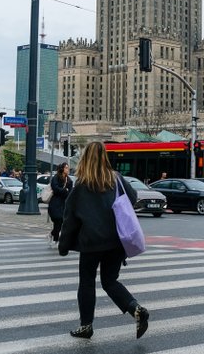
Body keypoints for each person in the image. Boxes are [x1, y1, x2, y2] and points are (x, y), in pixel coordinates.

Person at [58, 141, 149, 340]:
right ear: (104, 157)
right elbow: (132, 198)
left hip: (91, 243)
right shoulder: (115, 178)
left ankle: (86, 326)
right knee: (110, 281)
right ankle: (136, 308)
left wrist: (63, 245)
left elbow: (69, 219)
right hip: (116, 242)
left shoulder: (81, 185)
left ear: (85, 159)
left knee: (87, 282)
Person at [47, 162, 73, 249]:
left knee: (61, 222)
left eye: (68, 168)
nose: (67, 170)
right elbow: (55, 188)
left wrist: (65, 191)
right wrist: (64, 190)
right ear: (62, 169)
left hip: (64, 204)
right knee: (57, 221)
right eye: (66, 168)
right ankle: (55, 238)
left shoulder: (69, 180)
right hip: (55, 203)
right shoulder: (56, 178)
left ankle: (53, 236)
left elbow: (70, 192)